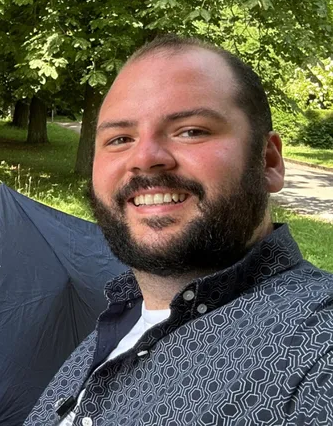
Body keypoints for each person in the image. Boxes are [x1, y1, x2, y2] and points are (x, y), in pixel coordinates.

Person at [25, 35, 333, 425]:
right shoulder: (122, 314)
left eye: (191, 131)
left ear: (269, 161)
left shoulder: (319, 350)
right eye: (120, 139)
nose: (146, 158)